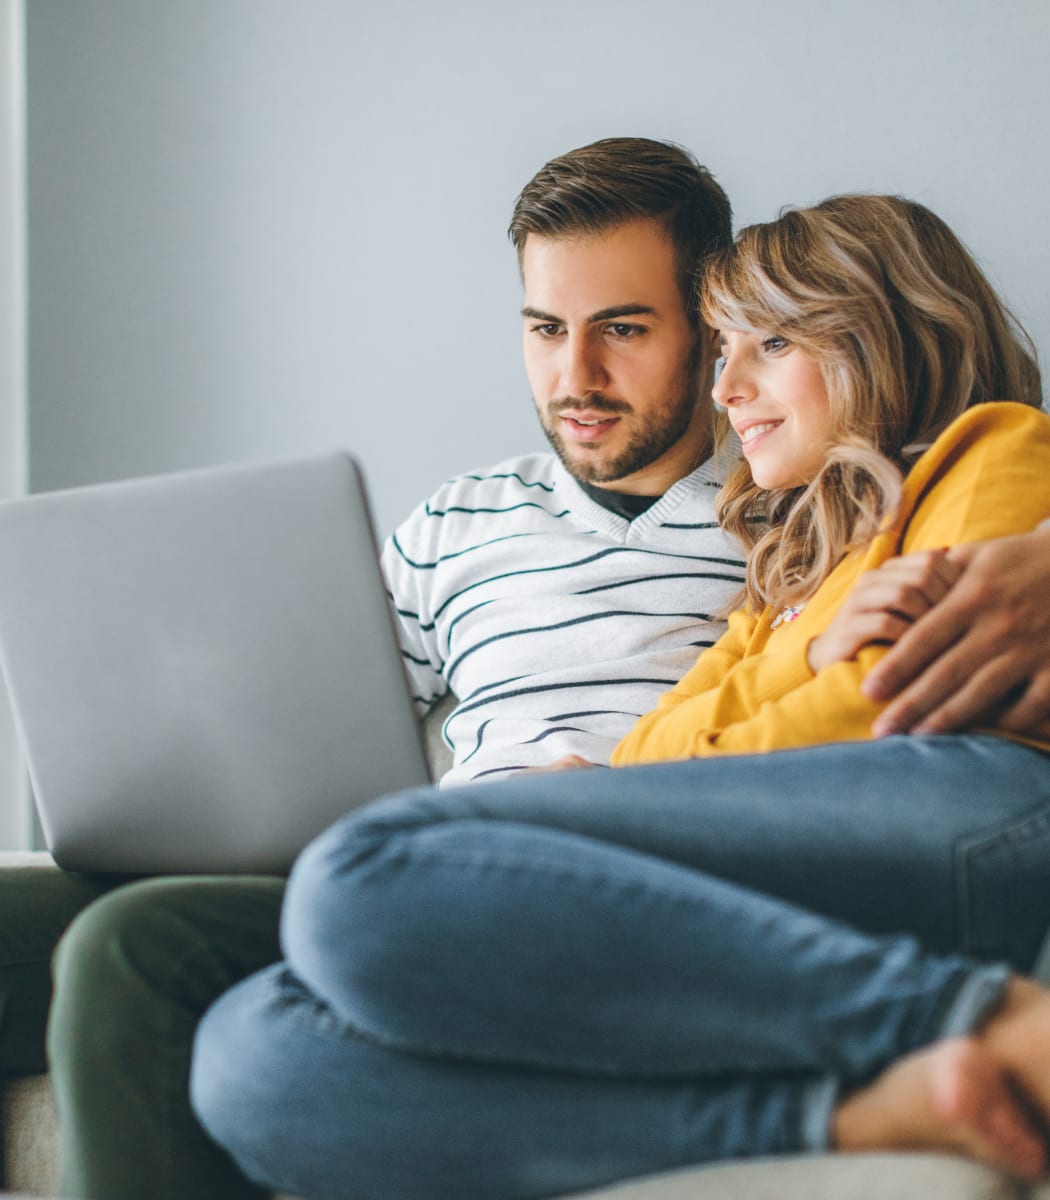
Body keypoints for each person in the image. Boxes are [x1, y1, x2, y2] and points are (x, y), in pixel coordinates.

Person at [9, 138, 1047, 1199]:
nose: (576, 375)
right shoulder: (718, 552)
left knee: (289, 897)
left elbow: (875, 691)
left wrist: (604, 793)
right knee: (254, 1061)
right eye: (546, 330)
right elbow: (312, 731)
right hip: (471, 862)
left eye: (628, 331)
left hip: (628, 871)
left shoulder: (803, 504)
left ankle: (977, 1026)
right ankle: (848, 1112)